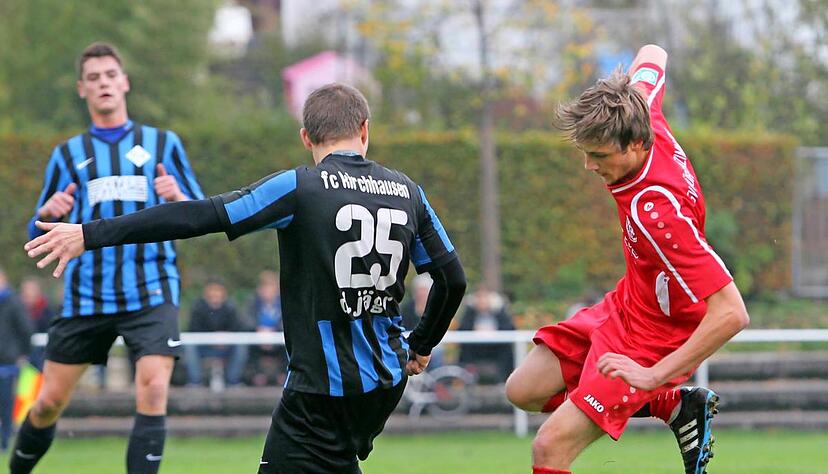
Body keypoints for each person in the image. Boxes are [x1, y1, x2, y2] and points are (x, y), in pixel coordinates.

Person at [24, 82, 467, 473]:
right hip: (383, 382)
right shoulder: (408, 191)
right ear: (365, 129)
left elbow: (198, 216)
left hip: (320, 389)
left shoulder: (302, 187)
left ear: (305, 137)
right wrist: (421, 346)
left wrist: (89, 233)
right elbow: (452, 280)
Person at [504, 45, 750, 474]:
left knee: (549, 448)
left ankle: (661, 393)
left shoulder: (655, 212)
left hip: (655, 336)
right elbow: (654, 53)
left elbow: (731, 313)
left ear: (635, 144)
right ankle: (674, 407)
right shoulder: (641, 111)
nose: (587, 166)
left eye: (598, 156)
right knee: (522, 390)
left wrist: (653, 375)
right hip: (629, 305)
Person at [12, 42, 204, 474]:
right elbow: (35, 232)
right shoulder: (66, 155)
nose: (104, 84)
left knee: (153, 389)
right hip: (87, 298)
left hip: (152, 289)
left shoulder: (162, 144)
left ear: (125, 83)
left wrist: (181, 198)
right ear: (82, 89)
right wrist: (46, 215)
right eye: (94, 78)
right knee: (47, 404)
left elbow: (200, 213)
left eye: (110, 75)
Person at [185, 279, 249, 388]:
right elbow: (193, 329)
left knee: (241, 347)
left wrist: (226, 337)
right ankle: (195, 382)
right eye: (212, 292)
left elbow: (238, 328)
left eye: (218, 292)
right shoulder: (198, 308)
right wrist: (212, 338)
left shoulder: (231, 308)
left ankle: (232, 381)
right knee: (189, 347)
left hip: (226, 347)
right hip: (204, 348)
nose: (215, 295)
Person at [0, 268, 33, 453]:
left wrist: (22, 354)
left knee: (6, 404)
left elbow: (25, 329)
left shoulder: (13, 302)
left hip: (7, 363)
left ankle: (5, 441)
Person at [457, 285, 515, 383]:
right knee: (465, 350)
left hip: (495, 349)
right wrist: (474, 330)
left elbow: (510, 329)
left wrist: (494, 331)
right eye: (479, 298)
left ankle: (505, 380)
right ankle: (467, 380)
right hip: (475, 349)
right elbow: (461, 330)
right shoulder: (470, 313)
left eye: (484, 297)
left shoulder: (499, 312)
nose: (482, 301)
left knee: (507, 350)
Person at [247, 271, 287, 386]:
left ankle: (284, 373)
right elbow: (247, 320)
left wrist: (274, 331)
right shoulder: (253, 303)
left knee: (288, 344)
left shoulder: (283, 303)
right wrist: (258, 329)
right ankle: (256, 374)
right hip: (258, 340)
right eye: (265, 287)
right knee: (248, 346)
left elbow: (288, 321)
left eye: (270, 287)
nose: (267, 291)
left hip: (278, 339)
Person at [19, 277, 55, 371]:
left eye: (32, 289)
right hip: (24, 357)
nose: (29, 293)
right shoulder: (17, 309)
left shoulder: (47, 309)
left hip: (45, 356)